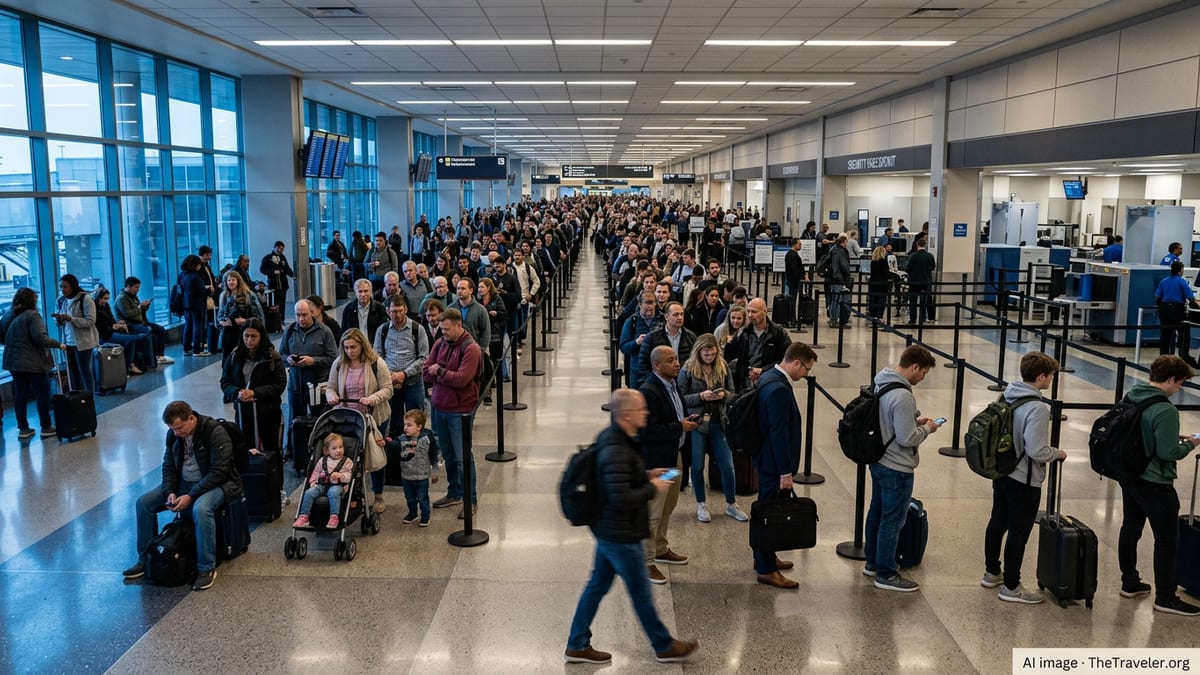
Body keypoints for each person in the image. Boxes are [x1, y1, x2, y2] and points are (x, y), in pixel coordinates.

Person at [564, 388, 700, 665]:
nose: (646, 412)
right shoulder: (616, 448)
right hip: (619, 532)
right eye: (641, 409)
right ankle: (663, 645)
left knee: (597, 585)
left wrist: (647, 474)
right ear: (626, 414)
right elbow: (621, 497)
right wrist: (652, 487)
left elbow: (620, 481)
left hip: (609, 529)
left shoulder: (618, 438)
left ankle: (577, 644)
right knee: (640, 593)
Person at [125, 400, 241, 591]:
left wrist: (191, 496)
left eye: (179, 428)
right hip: (183, 483)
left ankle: (206, 568)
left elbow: (220, 471)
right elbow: (168, 466)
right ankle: (145, 559)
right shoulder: (173, 435)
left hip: (217, 484)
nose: (176, 433)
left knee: (201, 508)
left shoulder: (214, 432)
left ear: (191, 418)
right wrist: (169, 491)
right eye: (173, 429)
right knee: (143, 503)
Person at [1117, 355, 1200, 616]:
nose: (1179, 390)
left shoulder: (1132, 395)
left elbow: (1139, 431)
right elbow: (1168, 453)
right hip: (1155, 482)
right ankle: (1165, 597)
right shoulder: (1165, 409)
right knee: (1166, 540)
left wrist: (1171, 435)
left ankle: (1129, 582)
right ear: (1171, 379)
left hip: (1131, 475)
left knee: (1131, 528)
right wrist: (1191, 443)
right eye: (1180, 384)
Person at [981, 351, 1066, 604]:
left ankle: (991, 572)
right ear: (1041, 377)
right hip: (1025, 479)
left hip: (1002, 471)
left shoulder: (1005, 395)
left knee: (998, 521)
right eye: (1051, 376)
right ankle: (1011, 586)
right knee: (1019, 532)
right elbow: (1036, 449)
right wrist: (1057, 453)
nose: (1051, 380)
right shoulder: (1037, 408)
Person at [865, 345, 942, 592]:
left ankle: (872, 562)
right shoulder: (903, 395)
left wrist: (912, 420)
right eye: (924, 373)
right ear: (914, 367)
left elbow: (889, 419)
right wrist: (927, 429)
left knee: (876, 511)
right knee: (893, 519)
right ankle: (886, 573)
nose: (923, 378)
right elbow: (907, 438)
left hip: (878, 460)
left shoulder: (883, 381)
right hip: (896, 466)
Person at [752, 342, 817, 588]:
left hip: (765, 457)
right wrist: (785, 472)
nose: (806, 375)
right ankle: (766, 568)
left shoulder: (769, 375)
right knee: (769, 513)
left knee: (766, 508)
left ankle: (764, 557)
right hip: (773, 463)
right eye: (806, 369)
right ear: (796, 363)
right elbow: (779, 433)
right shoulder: (779, 389)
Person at [639, 346, 699, 585]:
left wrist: (684, 422)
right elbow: (646, 431)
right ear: (657, 366)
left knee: (668, 506)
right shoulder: (648, 391)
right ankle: (646, 561)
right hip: (658, 464)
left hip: (674, 457)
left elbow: (674, 415)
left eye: (676, 358)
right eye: (671, 360)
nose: (677, 363)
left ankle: (661, 547)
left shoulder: (673, 385)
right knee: (653, 512)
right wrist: (679, 427)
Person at [677, 333, 746, 523]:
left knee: (727, 465)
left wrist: (723, 394)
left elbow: (734, 394)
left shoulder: (723, 367)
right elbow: (681, 397)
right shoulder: (688, 369)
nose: (710, 357)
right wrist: (701, 396)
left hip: (719, 421)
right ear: (698, 352)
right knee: (697, 466)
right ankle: (701, 503)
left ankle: (731, 504)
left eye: (713, 354)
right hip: (698, 422)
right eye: (706, 354)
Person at [423, 308, 484, 519]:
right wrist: (441, 373)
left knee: (462, 457)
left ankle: (471, 499)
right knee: (448, 455)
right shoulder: (440, 343)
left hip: (461, 411)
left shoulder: (471, 349)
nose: (444, 333)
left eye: (447, 329)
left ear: (459, 325)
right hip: (439, 408)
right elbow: (425, 370)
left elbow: (462, 379)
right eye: (442, 329)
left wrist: (439, 371)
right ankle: (454, 493)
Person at [325, 328, 394, 511]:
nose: (349, 351)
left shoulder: (376, 363)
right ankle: (354, 494)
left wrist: (372, 398)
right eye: (346, 348)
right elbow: (330, 387)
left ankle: (378, 496)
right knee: (349, 457)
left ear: (362, 346)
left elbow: (388, 389)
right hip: (347, 418)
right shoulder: (339, 364)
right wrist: (331, 396)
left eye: (353, 347)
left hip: (374, 417)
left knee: (375, 456)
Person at [1, 288, 64, 439]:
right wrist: (58, 344)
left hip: (13, 362)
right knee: (42, 393)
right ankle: (46, 426)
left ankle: (23, 428)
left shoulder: (8, 315)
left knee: (20, 394)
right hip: (33, 362)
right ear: (32, 301)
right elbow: (40, 338)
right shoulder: (32, 315)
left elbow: (2, 338)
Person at [220, 319, 287, 456]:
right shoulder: (234, 356)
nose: (249, 340)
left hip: (268, 412)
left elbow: (279, 385)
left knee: (271, 449)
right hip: (243, 411)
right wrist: (236, 392)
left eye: (254, 336)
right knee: (246, 448)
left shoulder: (272, 357)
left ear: (261, 336)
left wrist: (255, 393)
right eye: (246, 336)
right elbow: (225, 382)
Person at [374, 294, 429, 439]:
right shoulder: (382, 330)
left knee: (416, 420)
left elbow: (424, 358)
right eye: (393, 311)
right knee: (393, 421)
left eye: (400, 311)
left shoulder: (418, 329)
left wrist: (404, 374)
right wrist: (391, 375)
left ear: (405, 309)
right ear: (387, 311)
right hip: (390, 382)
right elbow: (377, 356)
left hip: (413, 381)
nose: (397, 315)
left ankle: (419, 451)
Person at [279, 299, 338, 423]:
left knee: (320, 420)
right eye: (298, 315)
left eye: (304, 315)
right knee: (294, 420)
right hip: (296, 384)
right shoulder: (290, 331)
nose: (301, 319)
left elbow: (333, 358)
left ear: (311, 313)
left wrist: (313, 361)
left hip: (318, 386)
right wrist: (288, 359)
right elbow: (282, 353)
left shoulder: (324, 332)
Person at [724, 298, 791, 390]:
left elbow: (786, 359)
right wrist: (728, 344)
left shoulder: (778, 333)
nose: (750, 315)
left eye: (754, 312)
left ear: (765, 311)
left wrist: (763, 370)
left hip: (768, 381)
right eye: (748, 311)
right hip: (746, 383)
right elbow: (730, 355)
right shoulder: (744, 332)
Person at [386, 409, 439, 526]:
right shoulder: (402, 439)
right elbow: (394, 445)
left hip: (422, 476)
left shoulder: (427, 439)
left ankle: (425, 516)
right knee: (409, 498)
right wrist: (385, 442)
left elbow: (434, 455)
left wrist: (435, 471)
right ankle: (413, 513)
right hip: (406, 476)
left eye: (409, 425)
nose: (405, 427)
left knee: (422, 498)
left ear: (419, 427)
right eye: (405, 424)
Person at [292, 432, 354, 529]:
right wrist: (313, 482)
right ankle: (304, 516)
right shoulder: (322, 460)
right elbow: (316, 473)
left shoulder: (347, 461)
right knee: (309, 492)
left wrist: (341, 475)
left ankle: (334, 517)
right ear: (327, 451)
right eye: (334, 448)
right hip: (321, 485)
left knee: (333, 492)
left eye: (340, 447)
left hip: (338, 486)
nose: (338, 450)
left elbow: (349, 476)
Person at [52, 274, 99, 393]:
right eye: (61, 287)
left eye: (65, 287)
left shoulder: (85, 299)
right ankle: (77, 398)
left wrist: (70, 319)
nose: (62, 290)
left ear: (73, 286)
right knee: (72, 372)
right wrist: (59, 319)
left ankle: (89, 398)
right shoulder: (60, 300)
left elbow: (90, 321)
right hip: (67, 341)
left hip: (83, 341)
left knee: (85, 371)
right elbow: (59, 317)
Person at [93, 287, 154, 375]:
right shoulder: (95, 309)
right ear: (98, 298)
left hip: (110, 332)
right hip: (104, 336)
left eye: (107, 298)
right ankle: (130, 365)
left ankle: (131, 364)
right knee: (137, 338)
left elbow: (112, 321)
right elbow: (101, 328)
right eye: (103, 298)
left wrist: (119, 325)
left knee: (135, 339)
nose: (105, 301)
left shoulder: (106, 306)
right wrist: (114, 327)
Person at [114, 276, 173, 366]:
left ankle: (160, 356)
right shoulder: (121, 298)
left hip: (141, 322)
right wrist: (140, 307)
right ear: (128, 286)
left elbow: (139, 311)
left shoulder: (133, 297)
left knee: (160, 329)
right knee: (149, 332)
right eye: (136, 287)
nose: (138, 290)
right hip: (130, 324)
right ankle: (150, 360)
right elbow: (129, 314)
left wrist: (144, 307)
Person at [637, 302, 696, 388]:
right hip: (659, 383)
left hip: (683, 383)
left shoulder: (691, 337)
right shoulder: (652, 337)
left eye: (681, 314)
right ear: (666, 317)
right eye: (675, 315)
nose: (680, 318)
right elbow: (643, 363)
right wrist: (653, 382)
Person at [1155, 260, 1200, 367]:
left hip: (1164, 309)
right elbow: (1190, 297)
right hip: (1177, 310)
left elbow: (1157, 296)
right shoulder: (1182, 281)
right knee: (1184, 334)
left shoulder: (1164, 281)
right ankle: (1184, 357)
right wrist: (1196, 306)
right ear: (1180, 271)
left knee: (1165, 336)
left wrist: (1161, 307)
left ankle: (1163, 361)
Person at [216, 270, 265, 360]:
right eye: (229, 280)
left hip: (244, 330)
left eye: (233, 280)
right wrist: (222, 322)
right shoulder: (224, 296)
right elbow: (220, 314)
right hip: (228, 332)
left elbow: (258, 315)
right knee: (228, 358)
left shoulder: (249, 295)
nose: (231, 282)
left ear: (238, 281)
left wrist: (246, 321)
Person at [620, 292, 663, 389]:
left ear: (655, 303)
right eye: (646, 304)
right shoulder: (631, 321)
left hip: (658, 370)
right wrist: (637, 342)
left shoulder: (663, 320)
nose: (649, 309)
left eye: (651, 304)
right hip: (637, 371)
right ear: (639, 305)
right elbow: (623, 347)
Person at [477, 278, 507, 405]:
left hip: (495, 333)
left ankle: (496, 379)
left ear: (489, 288)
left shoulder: (496, 299)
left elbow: (503, 313)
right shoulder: (477, 300)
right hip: (481, 335)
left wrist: (496, 314)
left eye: (482, 287)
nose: (480, 289)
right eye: (479, 287)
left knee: (495, 358)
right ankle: (487, 385)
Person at [178, 255, 211, 357]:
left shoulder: (183, 275)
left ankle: (187, 348)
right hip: (197, 304)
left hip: (186, 303)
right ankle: (197, 349)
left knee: (188, 325)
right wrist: (208, 290)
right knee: (198, 326)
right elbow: (201, 291)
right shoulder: (195, 276)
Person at [341, 279, 388, 344]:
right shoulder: (348, 309)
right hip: (355, 348)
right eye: (360, 291)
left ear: (371, 292)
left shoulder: (380, 309)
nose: (363, 294)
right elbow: (344, 332)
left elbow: (384, 331)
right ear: (355, 292)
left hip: (374, 347)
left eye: (366, 291)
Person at [449, 277, 491, 349]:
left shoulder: (480, 310)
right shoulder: (450, 309)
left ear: (471, 290)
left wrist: (481, 350)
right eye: (458, 288)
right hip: (454, 349)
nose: (459, 291)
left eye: (463, 288)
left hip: (474, 349)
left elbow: (486, 333)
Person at [905, 237, 937, 324]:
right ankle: (924, 318)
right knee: (927, 300)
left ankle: (913, 319)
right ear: (925, 245)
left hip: (914, 282)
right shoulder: (930, 256)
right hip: (926, 281)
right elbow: (933, 267)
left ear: (917, 245)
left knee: (913, 302)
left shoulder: (913, 256)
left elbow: (908, 269)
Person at [259, 240, 295, 311]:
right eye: (278, 248)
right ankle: (276, 317)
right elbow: (262, 270)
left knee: (282, 302)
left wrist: (292, 275)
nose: (279, 250)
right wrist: (273, 272)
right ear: (275, 247)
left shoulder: (282, 257)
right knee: (275, 302)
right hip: (273, 284)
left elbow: (286, 267)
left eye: (281, 249)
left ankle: (282, 318)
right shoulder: (268, 258)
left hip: (283, 284)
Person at [827, 233, 853, 328]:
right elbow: (844, 266)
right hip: (838, 279)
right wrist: (846, 278)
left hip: (834, 278)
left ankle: (833, 319)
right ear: (843, 241)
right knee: (838, 300)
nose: (847, 244)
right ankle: (835, 320)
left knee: (834, 300)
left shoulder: (834, 249)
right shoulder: (840, 251)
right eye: (846, 242)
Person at [784, 237, 808, 327]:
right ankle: (791, 320)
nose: (800, 245)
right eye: (799, 244)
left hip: (792, 281)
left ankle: (792, 320)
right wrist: (802, 276)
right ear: (794, 244)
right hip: (793, 282)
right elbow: (795, 269)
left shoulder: (792, 254)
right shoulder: (793, 255)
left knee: (792, 301)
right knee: (792, 301)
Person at [868, 246, 893, 320]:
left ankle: (873, 316)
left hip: (873, 283)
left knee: (873, 300)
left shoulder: (873, 261)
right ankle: (879, 317)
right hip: (882, 284)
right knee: (881, 301)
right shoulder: (883, 261)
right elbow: (886, 273)